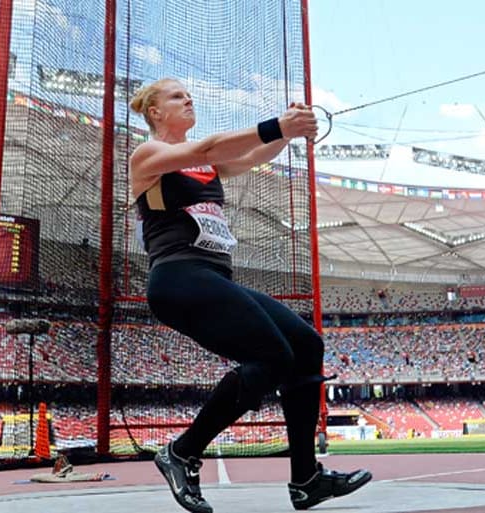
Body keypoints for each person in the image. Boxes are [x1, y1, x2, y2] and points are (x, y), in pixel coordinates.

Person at [129, 78, 372, 513]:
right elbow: (207, 147)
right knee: (274, 357)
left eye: (189, 95)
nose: (188, 100)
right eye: (176, 96)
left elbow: (255, 154)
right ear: (155, 113)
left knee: (305, 345)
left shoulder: (208, 167)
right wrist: (278, 123)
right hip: (177, 277)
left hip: (213, 277)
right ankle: (182, 452)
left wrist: (287, 133)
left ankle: (306, 480)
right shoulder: (148, 155)